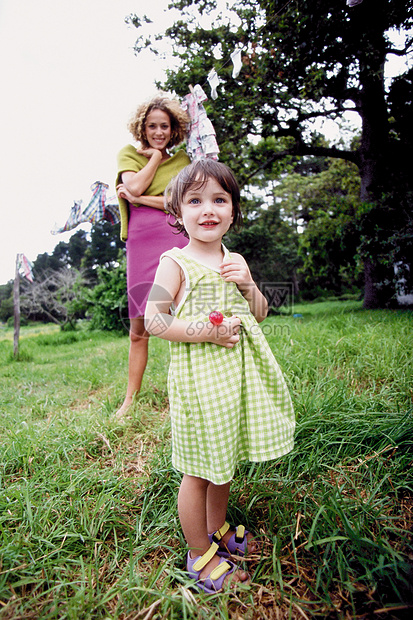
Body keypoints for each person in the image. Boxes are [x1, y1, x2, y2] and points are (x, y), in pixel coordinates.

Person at [145, 159, 296, 593]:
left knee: (223, 461)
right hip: (198, 383)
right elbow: (154, 321)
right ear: (177, 212)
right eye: (195, 200)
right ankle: (198, 552)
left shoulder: (235, 260)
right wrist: (207, 331)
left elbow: (261, 315)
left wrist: (248, 284)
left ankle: (218, 528)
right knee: (197, 469)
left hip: (235, 382)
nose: (207, 209)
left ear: (232, 211)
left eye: (219, 199)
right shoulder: (175, 262)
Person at [115, 94, 190, 418]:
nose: (158, 132)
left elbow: (178, 202)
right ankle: (130, 399)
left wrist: (140, 198)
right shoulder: (129, 154)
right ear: (142, 128)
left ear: (173, 129)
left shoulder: (184, 161)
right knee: (139, 327)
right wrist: (156, 157)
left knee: (185, 317)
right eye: (152, 126)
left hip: (173, 237)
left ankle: (190, 393)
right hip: (141, 240)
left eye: (164, 127)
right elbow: (132, 184)